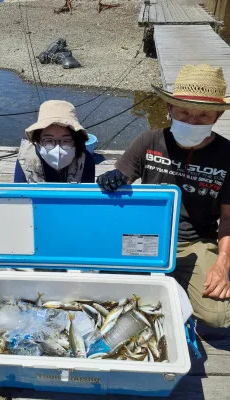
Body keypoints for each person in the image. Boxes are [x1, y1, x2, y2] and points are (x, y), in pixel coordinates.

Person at [97, 64, 230, 328]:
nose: (192, 121)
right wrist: (113, 180)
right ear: (170, 110)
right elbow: (122, 178)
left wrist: (222, 266)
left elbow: (228, 219)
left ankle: (185, 275)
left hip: (194, 243)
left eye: (204, 114)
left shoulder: (227, 154)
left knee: (219, 317)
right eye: (184, 112)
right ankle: (171, 279)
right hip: (144, 236)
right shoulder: (149, 140)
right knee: (105, 292)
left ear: (217, 117)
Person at [14, 100, 95, 183]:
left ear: (76, 141)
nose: (57, 149)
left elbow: (86, 192)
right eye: (48, 140)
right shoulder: (25, 160)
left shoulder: (86, 160)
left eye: (66, 140)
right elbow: (20, 194)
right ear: (37, 140)